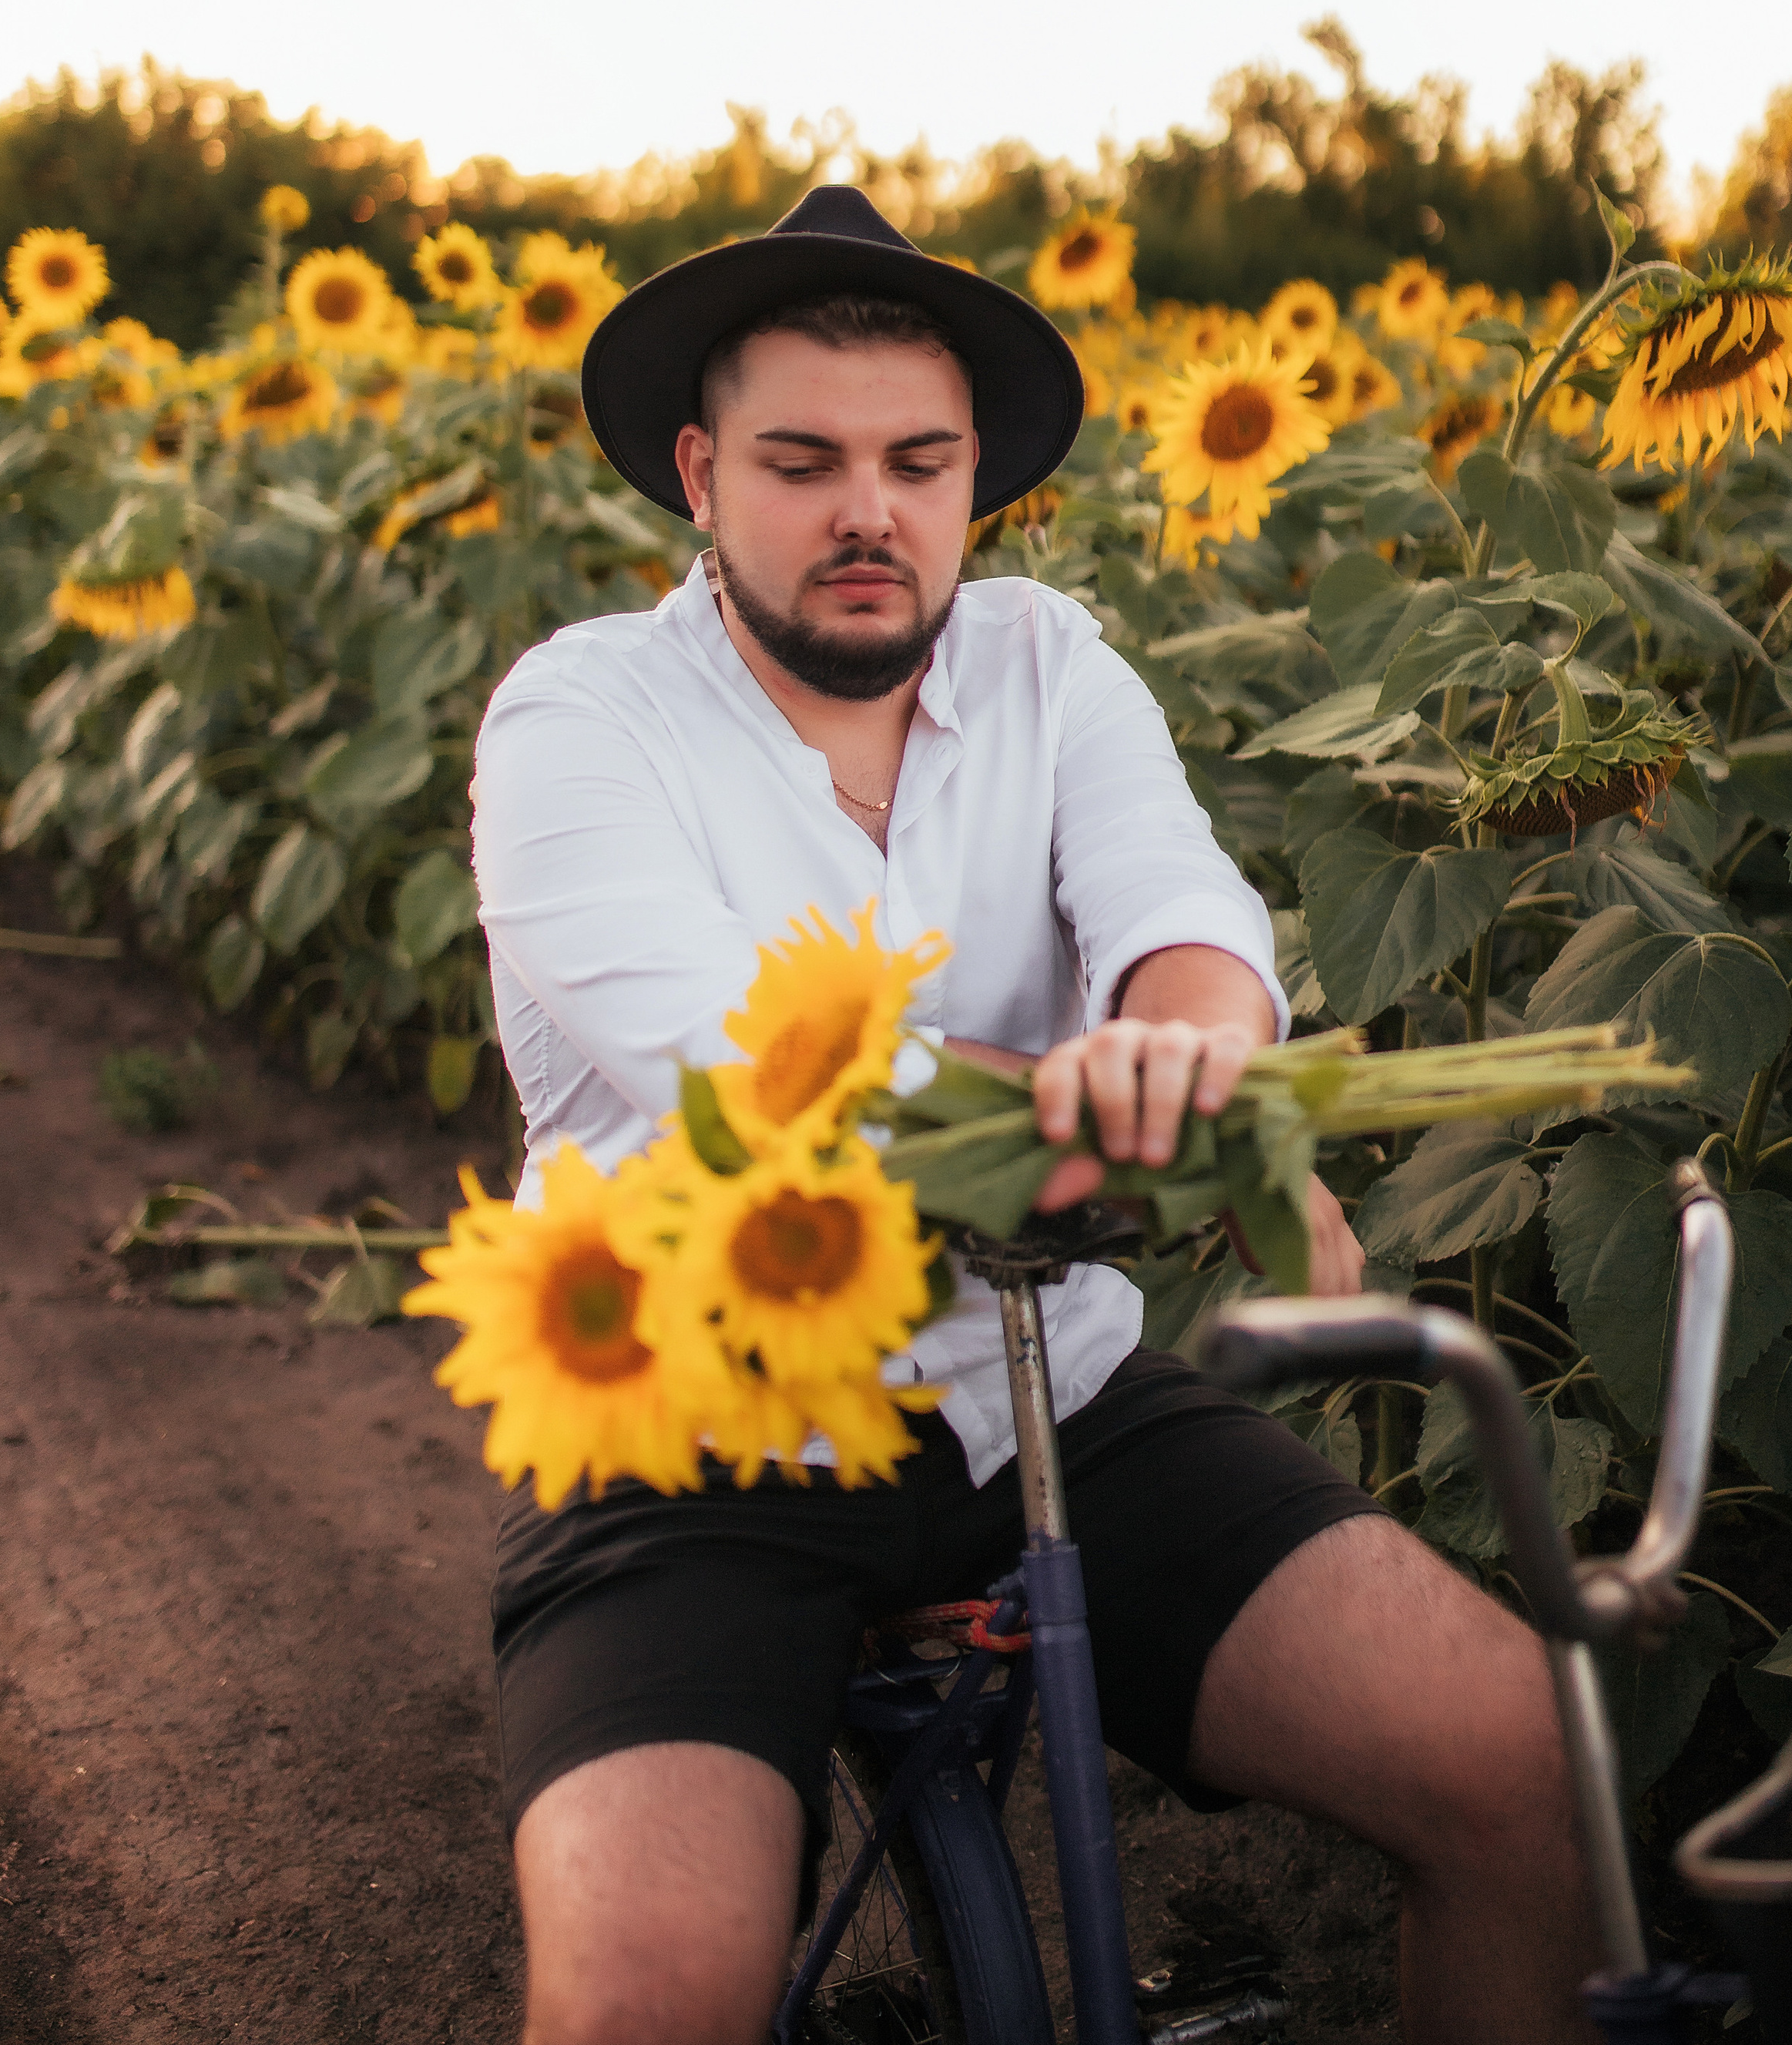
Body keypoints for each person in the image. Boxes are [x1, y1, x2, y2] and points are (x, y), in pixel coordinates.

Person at [470, 185, 1596, 2045]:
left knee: (1515, 1751)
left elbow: (1179, 915)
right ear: (696, 471)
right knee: (644, 1994)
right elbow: (732, 1064)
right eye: (802, 459)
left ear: (972, 473)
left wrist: (1201, 1065)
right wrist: (1143, 1133)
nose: (868, 512)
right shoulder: (577, 719)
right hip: (689, 1442)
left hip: (1043, 1400)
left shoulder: (1043, 661)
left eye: (918, 461)